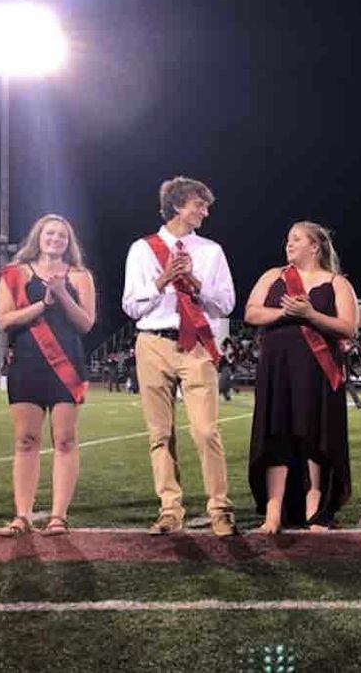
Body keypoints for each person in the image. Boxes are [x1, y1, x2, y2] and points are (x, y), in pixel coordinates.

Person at [121, 176, 236, 537]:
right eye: (198, 204)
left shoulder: (211, 251)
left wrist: (195, 283)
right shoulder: (142, 249)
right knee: (160, 433)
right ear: (176, 206)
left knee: (205, 430)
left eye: (205, 205)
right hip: (153, 342)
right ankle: (170, 509)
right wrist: (162, 280)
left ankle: (219, 508)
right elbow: (130, 305)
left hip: (196, 344)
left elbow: (227, 304)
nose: (204, 210)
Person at [244, 222, 357, 532]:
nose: (288, 244)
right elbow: (251, 313)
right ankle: (273, 511)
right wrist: (284, 314)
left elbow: (348, 326)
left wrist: (310, 315)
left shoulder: (337, 283)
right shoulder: (273, 276)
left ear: (315, 246)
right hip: (277, 368)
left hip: (318, 370)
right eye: (287, 239)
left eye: (296, 239)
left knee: (315, 433)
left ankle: (316, 507)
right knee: (276, 433)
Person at [0, 215, 96, 536]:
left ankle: (58, 516)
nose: (55, 239)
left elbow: (86, 324)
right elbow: (5, 320)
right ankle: (22, 515)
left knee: (65, 440)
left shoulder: (80, 276)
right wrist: (44, 303)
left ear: (69, 241)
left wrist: (63, 296)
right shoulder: (15, 273)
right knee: (26, 440)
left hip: (68, 364)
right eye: (50, 233)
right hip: (27, 362)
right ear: (38, 236)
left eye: (62, 235)